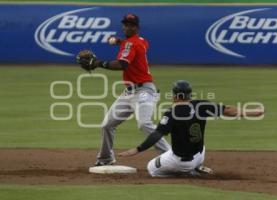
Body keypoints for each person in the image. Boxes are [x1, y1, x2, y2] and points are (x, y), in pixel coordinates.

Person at [76, 13, 170, 166]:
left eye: (131, 25)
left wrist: (98, 63)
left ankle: (171, 156)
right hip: (129, 92)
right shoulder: (141, 41)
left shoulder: (130, 44)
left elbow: (122, 64)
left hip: (144, 91)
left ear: (136, 27)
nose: (127, 27)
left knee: (144, 124)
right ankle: (105, 159)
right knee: (107, 124)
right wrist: (119, 41)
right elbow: (134, 44)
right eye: (125, 24)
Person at [119, 80, 264, 177]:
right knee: (191, 144)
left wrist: (137, 149)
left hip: (181, 162)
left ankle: (188, 173)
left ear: (175, 95)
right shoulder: (201, 105)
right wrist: (250, 112)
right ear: (190, 94)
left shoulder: (171, 113)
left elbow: (157, 134)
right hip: (200, 154)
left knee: (152, 168)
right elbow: (228, 110)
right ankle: (196, 167)